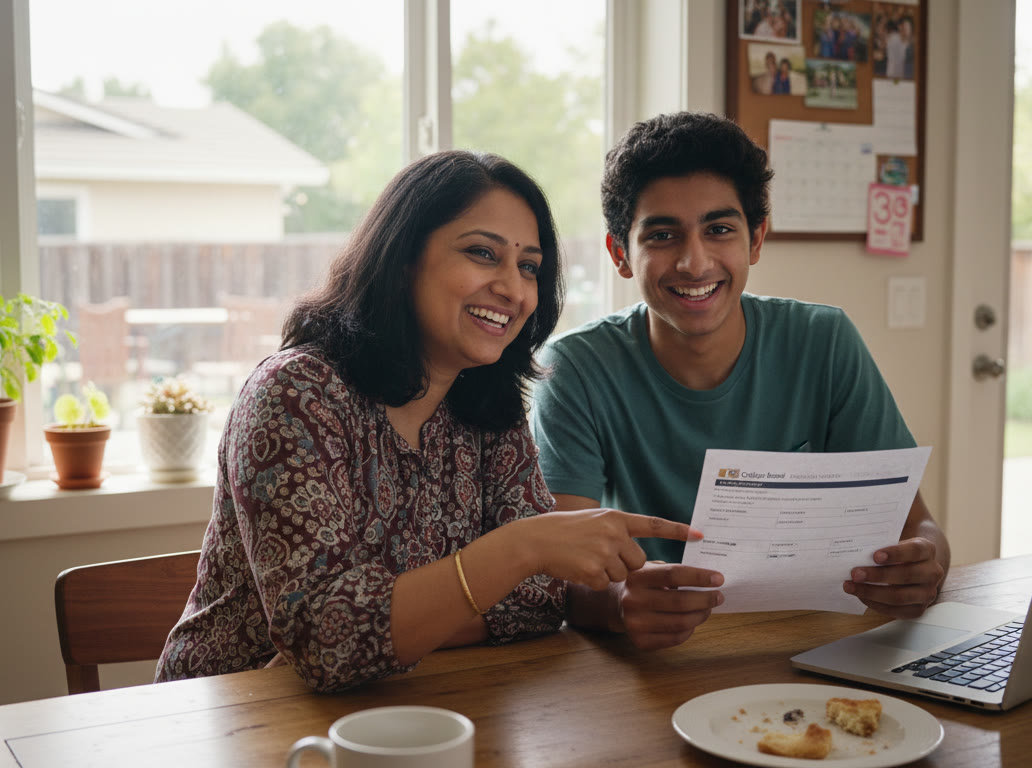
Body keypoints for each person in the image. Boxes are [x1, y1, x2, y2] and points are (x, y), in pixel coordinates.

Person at [155, 150, 694, 691]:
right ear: (404, 257)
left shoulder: (487, 406)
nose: (513, 288)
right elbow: (326, 641)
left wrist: (398, 628)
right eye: (483, 253)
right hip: (228, 717)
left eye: (529, 266)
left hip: (407, 708)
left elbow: (540, 600)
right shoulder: (295, 395)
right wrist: (522, 547)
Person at [530, 112, 950, 651]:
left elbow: (921, 530)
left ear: (756, 240)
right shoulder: (575, 370)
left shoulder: (823, 342)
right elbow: (562, 575)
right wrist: (617, 601)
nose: (694, 261)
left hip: (810, 646)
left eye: (719, 230)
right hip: (657, 659)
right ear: (620, 255)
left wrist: (927, 563)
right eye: (662, 234)